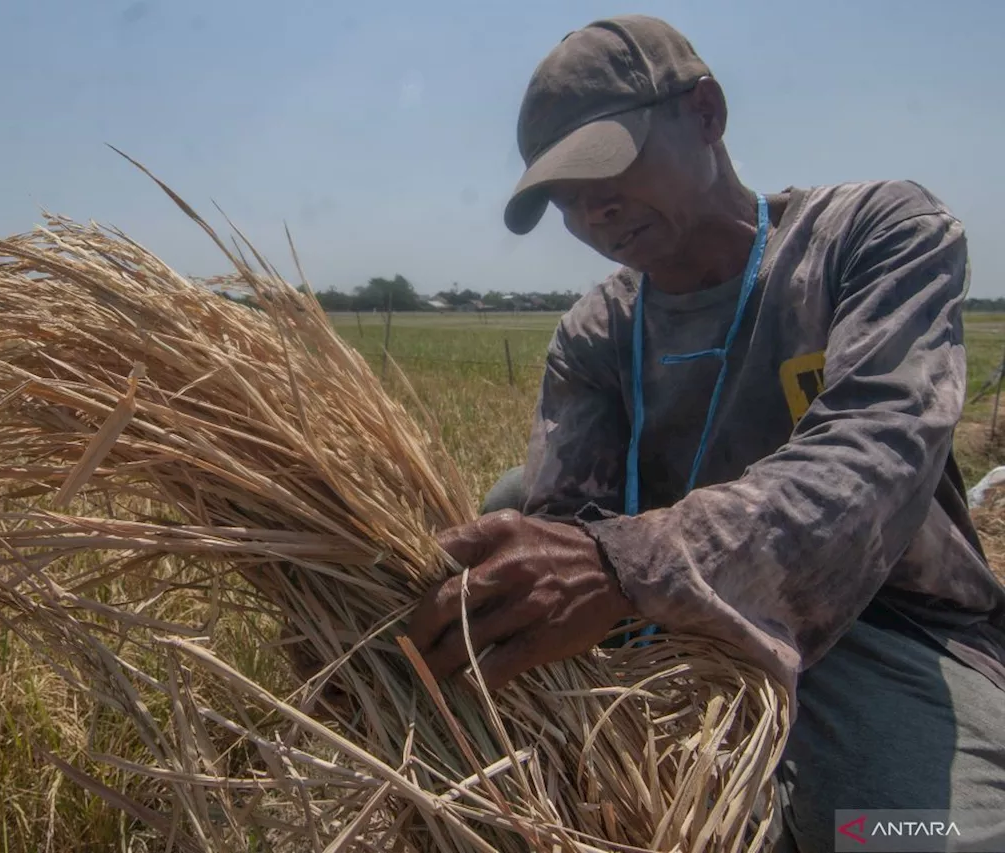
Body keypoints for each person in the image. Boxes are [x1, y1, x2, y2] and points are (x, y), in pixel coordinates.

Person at [405, 15, 1005, 852]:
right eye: (563, 196)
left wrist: (626, 563)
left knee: (908, 839)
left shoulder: (869, 237)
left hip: (881, 621)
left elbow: (877, 452)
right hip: (673, 621)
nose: (592, 208)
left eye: (604, 165)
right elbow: (569, 519)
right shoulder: (597, 332)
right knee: (513, 509)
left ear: (707, 112)